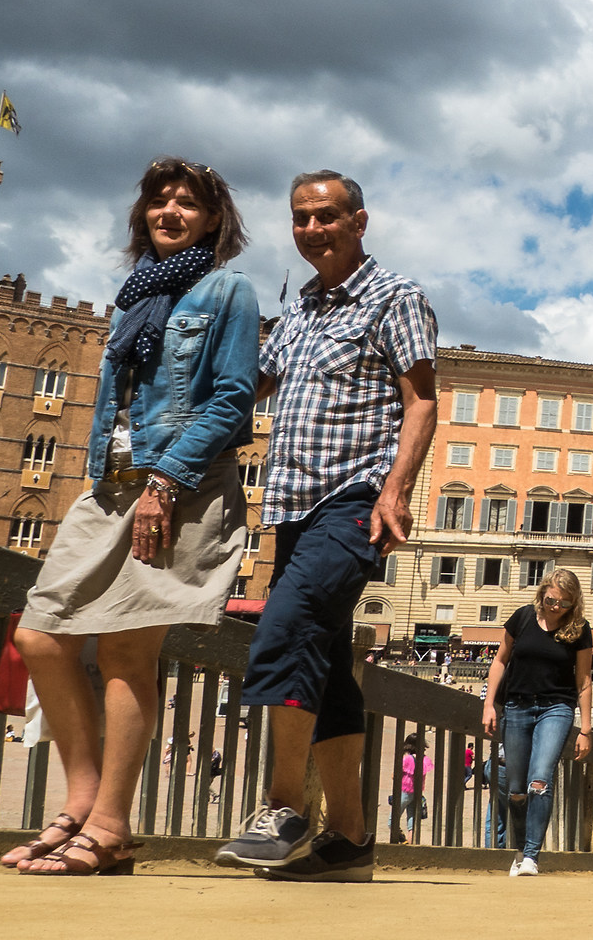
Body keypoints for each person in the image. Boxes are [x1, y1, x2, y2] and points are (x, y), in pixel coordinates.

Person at [6, 158, 260, 878]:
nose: (170, 211)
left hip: (178, 487)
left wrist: (165, 482)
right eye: (159, 200)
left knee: (124, 653)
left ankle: (109, 823)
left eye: (188, 203)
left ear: (214, 221)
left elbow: (232, 397)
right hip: (111, 482)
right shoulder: (133, 298)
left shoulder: (228, 291)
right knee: (40, 634)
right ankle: (82, 801)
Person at [215, 170, 438, 884]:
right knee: (329, 665)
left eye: (326, 217)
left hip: (354, 502)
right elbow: (258, 383)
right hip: (290, 508)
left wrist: (395, 490)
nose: (312, 229)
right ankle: (348, 841)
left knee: (286, 625)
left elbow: (422, 402)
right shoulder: (303, 306)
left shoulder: (393, 297)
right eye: (301, 218)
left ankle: (283, 808)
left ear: (359, 221)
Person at [480, 566, 593, 877]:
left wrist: (585, 729)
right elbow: (500, 660)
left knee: (540, 782)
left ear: (574, 604)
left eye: (563, 604)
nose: (555, 607)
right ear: (543, 592)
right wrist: (489, 704)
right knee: (516, 789)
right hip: (516, 707)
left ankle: (531, 855)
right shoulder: (522, 617)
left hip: (556, 709)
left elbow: (583, 680)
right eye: (551, 600)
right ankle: (519, 848)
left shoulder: (580, 629)